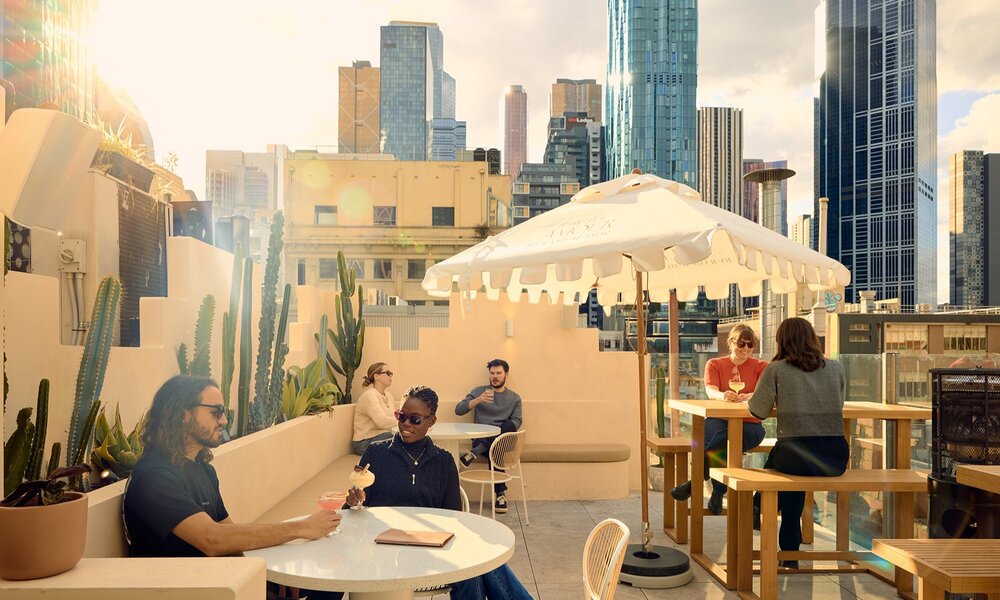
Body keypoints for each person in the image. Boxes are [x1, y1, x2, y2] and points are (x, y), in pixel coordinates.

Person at [123, 375, 343, 600]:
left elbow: (230, 537)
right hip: (188, 591)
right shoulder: (155, 477)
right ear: (183, 414)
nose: (224, 420)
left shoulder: (203, 469)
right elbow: (213, 539)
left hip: (222, 580)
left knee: (329, 579)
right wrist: (301, 528)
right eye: (216, 412)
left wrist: (274, 574)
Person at [348, 385, 532, 600]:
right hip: (385, 551)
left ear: (431, 421)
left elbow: (454, 517)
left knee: (474, 561)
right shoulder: (376, 453)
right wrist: (354, 501)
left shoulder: (443, 461)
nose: (406, 424)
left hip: (430, 550)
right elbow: (354, 509)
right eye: (401, 416)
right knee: (472, 566)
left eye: (415, 419)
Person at [748, 317, 849, 566]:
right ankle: (788, 545)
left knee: (787, 459)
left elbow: (757, 410)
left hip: (795, 456)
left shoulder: (777, 369)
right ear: (812, 339)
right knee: (789, 463)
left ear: (782, 341)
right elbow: (838, 404)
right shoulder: (836, 368)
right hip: (835, 458)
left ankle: (760, 507)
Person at [671, 324, 768, 515]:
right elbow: (711, 390)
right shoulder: (715, 364)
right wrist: (723, 395)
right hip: (719, 420)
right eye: (741, 343)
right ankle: (718, 492)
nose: (746, 348)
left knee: (723, 438)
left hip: (751, 424)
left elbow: (763, 392)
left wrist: (749, 396)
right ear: (731, 342)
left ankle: (695, 481)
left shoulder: (761, 366)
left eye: (750, 345)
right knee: (718, 433)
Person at [454, 359, 522, 514]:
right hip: (482, 438)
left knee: (508, 426)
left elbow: (517, 421)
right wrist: (477, 400)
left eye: (498, 373)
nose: (495, 376)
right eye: (492, 373)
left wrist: (500, 431)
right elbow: (458, 410)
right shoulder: (480, 391)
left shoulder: (514, 398)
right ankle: (501, 495)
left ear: (506, 375)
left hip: (504, 439)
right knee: (496, 450)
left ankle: (475, 453)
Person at [352, 362, 398, 455]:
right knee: (399, 438)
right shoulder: (370, 396)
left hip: (384, 436)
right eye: (387, 373)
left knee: (407, 437)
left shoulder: (389, 396)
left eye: (391, 373)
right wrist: (403, 421)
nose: (390, 376)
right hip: (364, 442)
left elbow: (393, 418)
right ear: (377, 376)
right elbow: (382, 422)